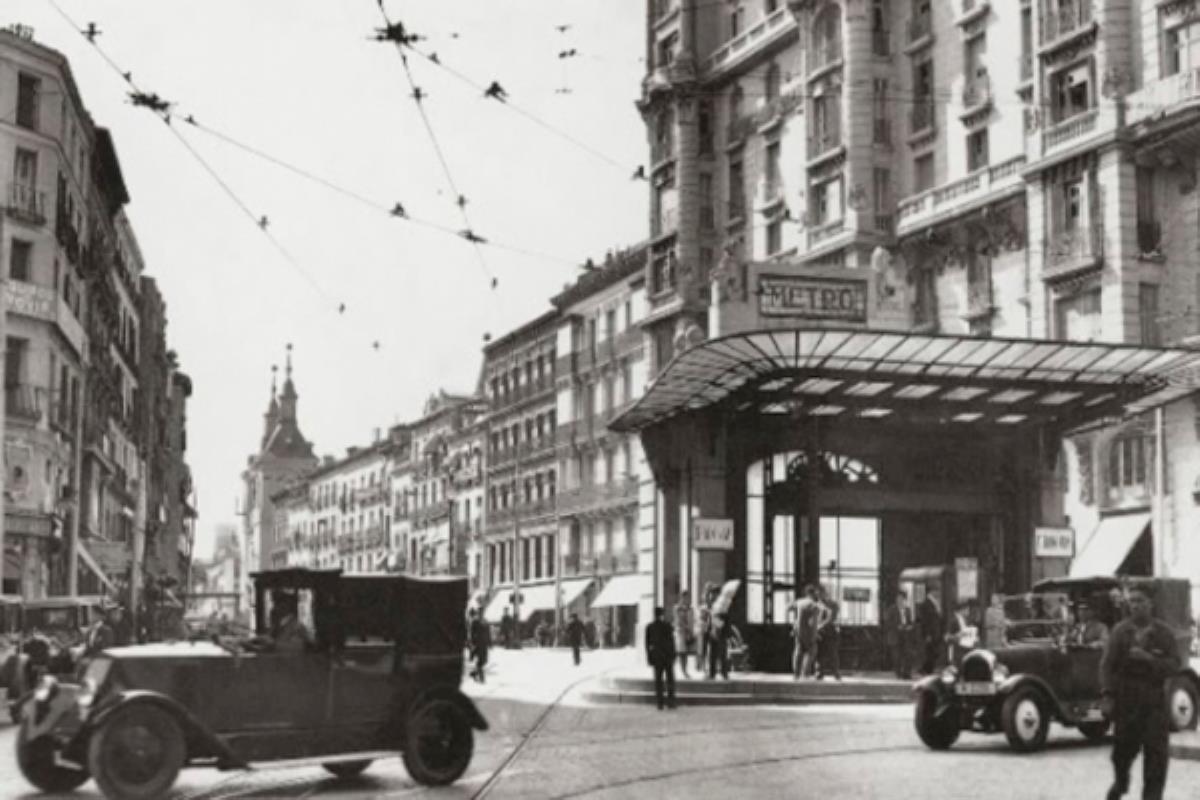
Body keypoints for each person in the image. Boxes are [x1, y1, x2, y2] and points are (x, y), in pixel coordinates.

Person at [1100, 584, 1181, 800]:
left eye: (1140, 601)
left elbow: (1175, 665)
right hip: (1126, 702)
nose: (1135, 606)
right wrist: (1107, 695)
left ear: (1150, 604)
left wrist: (1151, 660)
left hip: (1153, 702)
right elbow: (1107, 666)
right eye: (1132, 601)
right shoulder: (1120, 632)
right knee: (1121, 754)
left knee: (1156, 759)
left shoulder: (1164, 633)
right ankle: (1121, 781)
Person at [644, 606, 677, 710]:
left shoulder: (649, 627)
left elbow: (647, 644)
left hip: (657, 656)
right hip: (667, 656)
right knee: (669, 679)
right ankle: (670, 702)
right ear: (662, 614)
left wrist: (649, 657)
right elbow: (672, 641)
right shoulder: (668, 626)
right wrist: (673, 654)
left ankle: (660, 703)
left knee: (658, 680)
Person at [789, 585, 820, 680]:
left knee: (798, 651)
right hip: (809, 631)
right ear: (812, 593)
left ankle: (796, 674)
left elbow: (788, 608)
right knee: (811, 651)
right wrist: (815, 634)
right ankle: (805, 673)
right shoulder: (814, 605)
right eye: (816, 593)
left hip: (798, 630)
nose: (817, 595)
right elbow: (813, 622)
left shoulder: (799, 602)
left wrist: (795, 623)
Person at [883, 591, 913, 679]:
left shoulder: (908, 610)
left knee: (908, 654)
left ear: (905, 600)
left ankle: (906, 673)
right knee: (896, 656)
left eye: (902, 599)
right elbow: (888, 622)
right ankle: (898, 673)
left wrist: (910, 626)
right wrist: (897, 626)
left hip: (905, 635)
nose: (900, 601)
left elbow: (910, 622)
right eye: (898, 599)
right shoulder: (891, 609)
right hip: (895, 635)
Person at [815, 585, 841, 681]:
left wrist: (819, 627)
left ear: (825, 593)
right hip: (820, 632)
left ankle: (836, 673)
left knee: (832, 653)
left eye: (821, 593)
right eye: (818, 594)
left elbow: (831, 618)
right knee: (820, 653)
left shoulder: (832, 604)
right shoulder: (817, 604)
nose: (819, 596)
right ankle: (819, 673)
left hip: (830, 631)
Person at [917, 589, 943, 675]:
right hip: (930, 633)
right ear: (932, 592)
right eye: (936, 591)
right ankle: (925, 669)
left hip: (936, 632)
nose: (938, 593)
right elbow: (925, 620)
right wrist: (927, 634)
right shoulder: (926, 604)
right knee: (930, 652)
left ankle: (927, 669)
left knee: (934, 652)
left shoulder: (935, 602)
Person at [673, 590, 695, 679]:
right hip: (680, 632)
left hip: (688, 632)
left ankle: (685, 670)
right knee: (681, 652)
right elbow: (677, 620)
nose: (686, 599)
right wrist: (685, 627)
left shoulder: (690, 608)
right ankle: (682, 670)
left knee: (685, 653)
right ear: (681, 597)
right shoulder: (677, 608)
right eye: (685, 597)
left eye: (688, 597)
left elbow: (691, 620)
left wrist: (691, 631)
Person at [707, 612, 736, 679]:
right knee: (714, 656)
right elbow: (710, 625)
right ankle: (714, 673)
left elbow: (727, 626)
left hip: (721, 637)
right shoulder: (713, 614)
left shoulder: (723, 615)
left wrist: (727, 635)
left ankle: (722, 673)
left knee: (721, 655)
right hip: (714, 637)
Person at [468, 608, 491, 683]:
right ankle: (481, 677)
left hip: (485, 644)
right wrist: (472, 643)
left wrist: (490, 642)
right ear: (478, 613)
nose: (481, 614)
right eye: (480, 612)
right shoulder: (475, 622)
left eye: (483, 612)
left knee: (485, 660)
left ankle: (474, 673)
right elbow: (472, 633)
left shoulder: (486, 621)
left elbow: (488, 633)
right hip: (478, 643)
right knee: (481, 660)